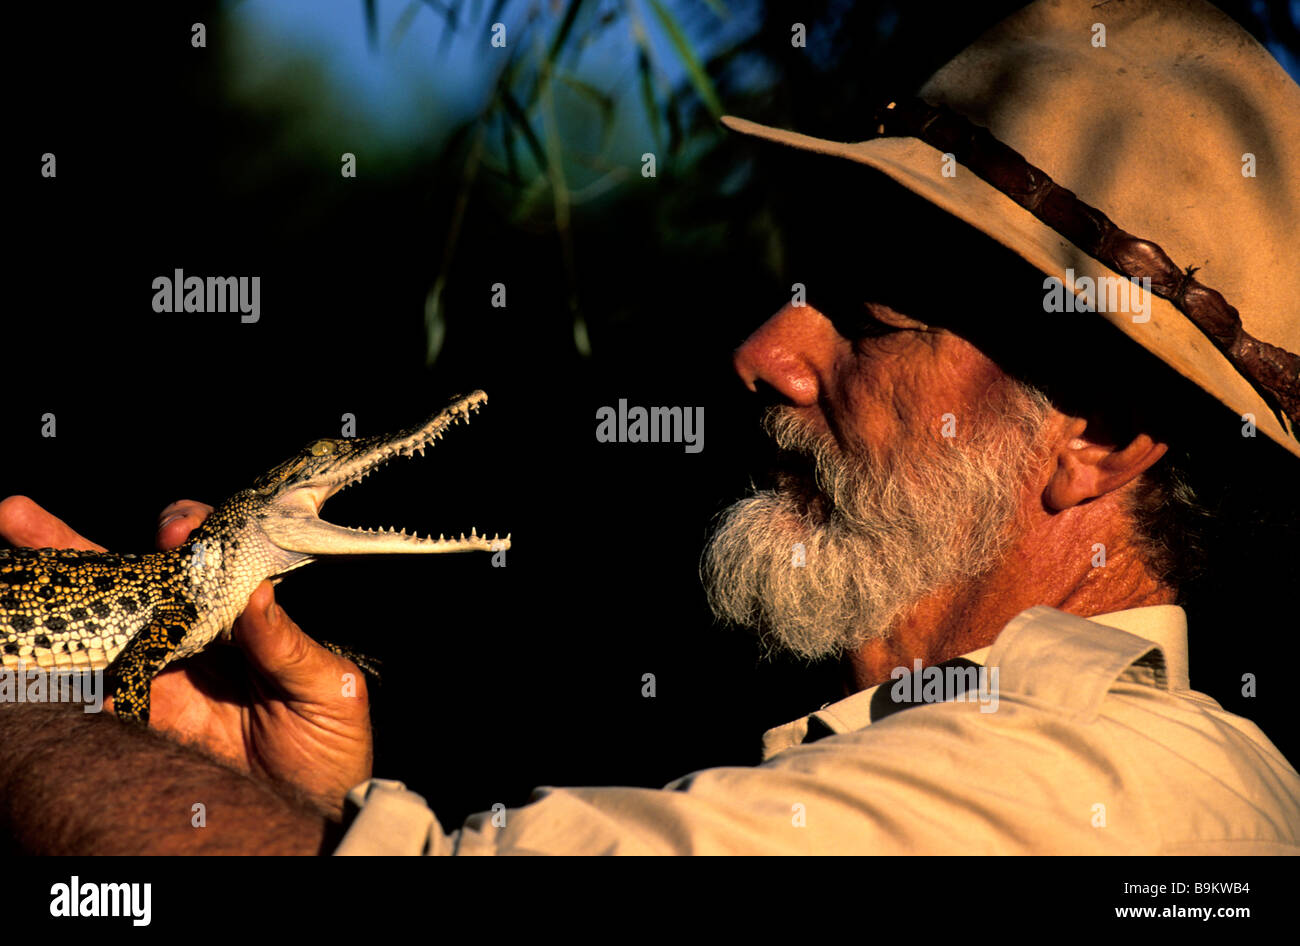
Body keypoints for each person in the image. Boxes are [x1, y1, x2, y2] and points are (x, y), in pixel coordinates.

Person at [2, 0, 1298, 854]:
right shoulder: (955, 761)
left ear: (1101, 432)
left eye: (875, 318)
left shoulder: (1129, 798)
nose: (765, 354)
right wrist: (270, 804)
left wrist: (30, 712)